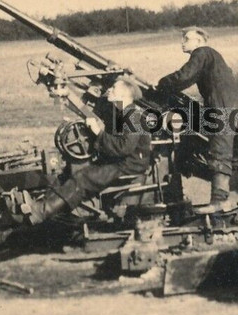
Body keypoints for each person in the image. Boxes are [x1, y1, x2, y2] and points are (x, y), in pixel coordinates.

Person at [156, 26, 238, 213]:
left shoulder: (202, 53)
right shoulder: (215, 56)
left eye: (186, 38)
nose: (182, 42)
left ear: (199, 41)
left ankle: (219, 200)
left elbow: (184, 77)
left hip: (221, 107)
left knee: (220, 153)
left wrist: (162, 84)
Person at [24, 75, 151, 224]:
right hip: (119, 161)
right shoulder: (120, 112)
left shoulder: (132, 116)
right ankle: (45, 208)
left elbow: (124, 148)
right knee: (71, 170)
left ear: (123, 95)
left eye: (114, 88)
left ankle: (40, 212)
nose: (109, 90)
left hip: (128, 166)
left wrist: (98, 132)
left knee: (83, 177)